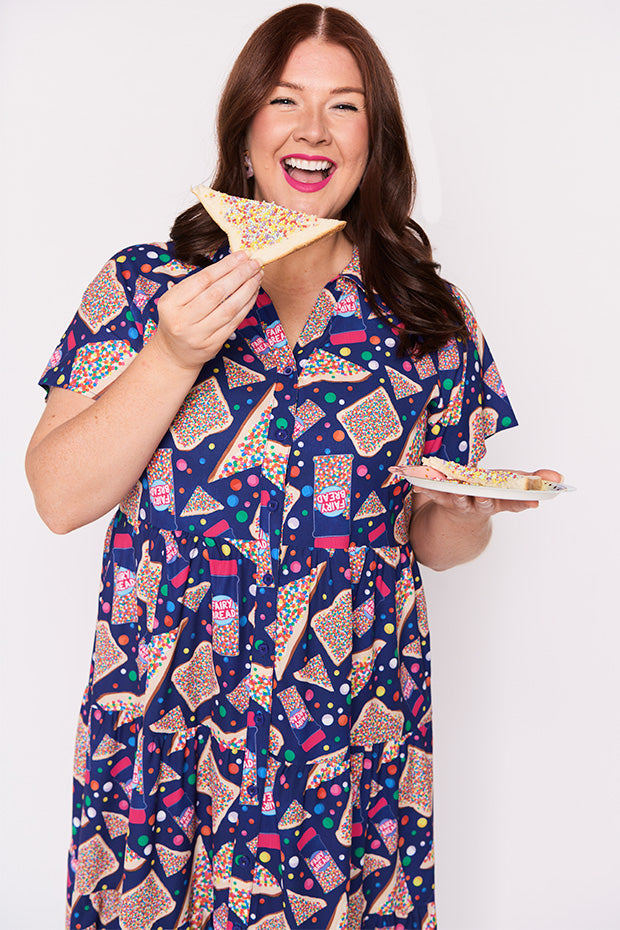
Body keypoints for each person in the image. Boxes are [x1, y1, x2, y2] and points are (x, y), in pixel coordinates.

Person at [26, 5, 561, 929]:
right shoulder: (144, 286)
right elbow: (58, 497)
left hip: (346, 731)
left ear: (373, 142)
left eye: (345, 106)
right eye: (286, 100)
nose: (314, 129)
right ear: (244, 130)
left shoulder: (430, 319)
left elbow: (437, 544)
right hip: (167, 718)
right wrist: (172, 355)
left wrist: (462, 513)